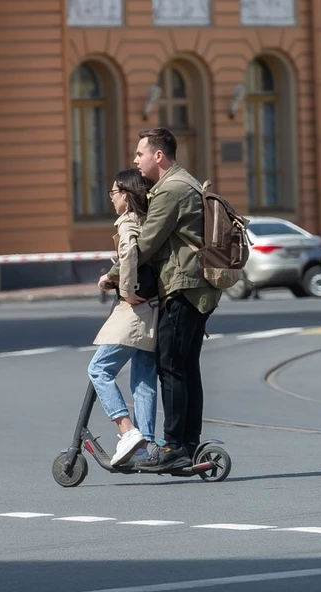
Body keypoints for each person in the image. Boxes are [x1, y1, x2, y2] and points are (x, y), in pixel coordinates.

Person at [100, 128, 222, 472]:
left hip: (184, 287)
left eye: (140, 154)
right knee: (185, 368)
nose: (135, 161)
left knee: (172, 368)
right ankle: (189, 442)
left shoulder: (170, 190)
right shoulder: (188, 182)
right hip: (197, 287)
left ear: (158, 156)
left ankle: (174, 447)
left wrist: (112, 278)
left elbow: (146, 245)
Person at [89, 168, 159, 467]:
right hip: (156, 309)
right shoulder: (149, 220)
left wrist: (125, 288)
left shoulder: (129, 220)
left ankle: (127, 431)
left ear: (127, 196)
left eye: (114, 193)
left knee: (99, 369)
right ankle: (147, 447)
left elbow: (129, 251)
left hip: (136, 310)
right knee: (143, 381)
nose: (112, 199)